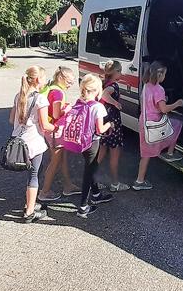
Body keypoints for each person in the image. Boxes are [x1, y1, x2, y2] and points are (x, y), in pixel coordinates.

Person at [9, 66, 55, 222]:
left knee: (33, 173)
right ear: (37, 80)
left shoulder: (18, 96)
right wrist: (57, 126)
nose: (45, 81)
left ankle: (30, 202)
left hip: (19, 141)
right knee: (34, 175)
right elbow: (45, 125)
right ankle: (29, 211)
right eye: (43, 78)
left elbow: (11, 120)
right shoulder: (40, 99)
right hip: (34, 142)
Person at [132, 61, 183, 191]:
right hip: (155, 123)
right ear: (159, 75)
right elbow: (164, 109)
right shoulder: (159, 89)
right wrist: (177, 103)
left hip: (144, 122)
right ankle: (170, 153)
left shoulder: (146, 86)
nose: (165, 77)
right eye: (164, 74)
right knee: (177, 123)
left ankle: (139, 180)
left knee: (145, 154)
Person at [73, 74, 113, 217]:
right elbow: (100, 129)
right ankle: (83, 207)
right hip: (92, 142)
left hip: (80, 141)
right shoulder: (98, 106)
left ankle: (95, 194)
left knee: (91, 166)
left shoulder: (79, 102)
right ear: (97, 90)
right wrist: (110, 124)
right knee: (89, 172)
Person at [38, 66, 78, 201]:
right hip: (55, 130)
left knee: (62, 158)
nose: (71, 85)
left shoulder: (51, 88)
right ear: (61, 78)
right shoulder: (58, 93)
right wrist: (67, 108)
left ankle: (68, 186)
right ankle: (45, 192)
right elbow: (56, 113)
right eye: (69, 81)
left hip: (51, 130)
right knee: (55, 161)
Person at [96, 61, 128, 192]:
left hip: (104, 123)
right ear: (113, 73)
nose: (121, 73)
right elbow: (104, 95)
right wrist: (116, 103)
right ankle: (115, 183)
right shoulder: (113, 85)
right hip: (113, 124)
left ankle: (93, 180)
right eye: (119, 71)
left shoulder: (104, 83)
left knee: (101, 153)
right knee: (115, 154)